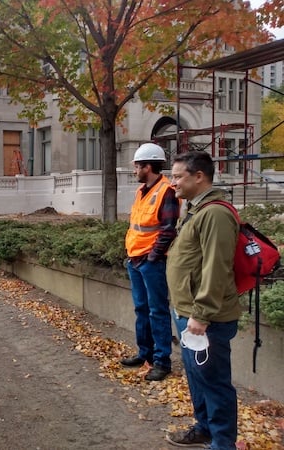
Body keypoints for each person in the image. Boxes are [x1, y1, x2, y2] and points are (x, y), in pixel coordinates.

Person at [165, 151, 240, 449]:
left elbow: (216, 267)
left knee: (214, 381)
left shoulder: (215, 214)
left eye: (178, 176)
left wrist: (202, 314)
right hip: (187, 311)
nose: (173, 183)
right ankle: (205, 429)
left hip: (206, 318)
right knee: (198, 378)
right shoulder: (196, 209)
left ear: (199, 176)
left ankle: (223, 443)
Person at [122, 143, 179, 381]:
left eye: (137, 166)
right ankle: (144, 354)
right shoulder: (141, 190)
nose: (134, 170)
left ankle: (162, 361)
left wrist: (152, 257)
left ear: (148, 166)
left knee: (157, 311)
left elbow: (168, 230)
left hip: (150, 262)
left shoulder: (167, 191)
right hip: (136, 259)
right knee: (141, 309)